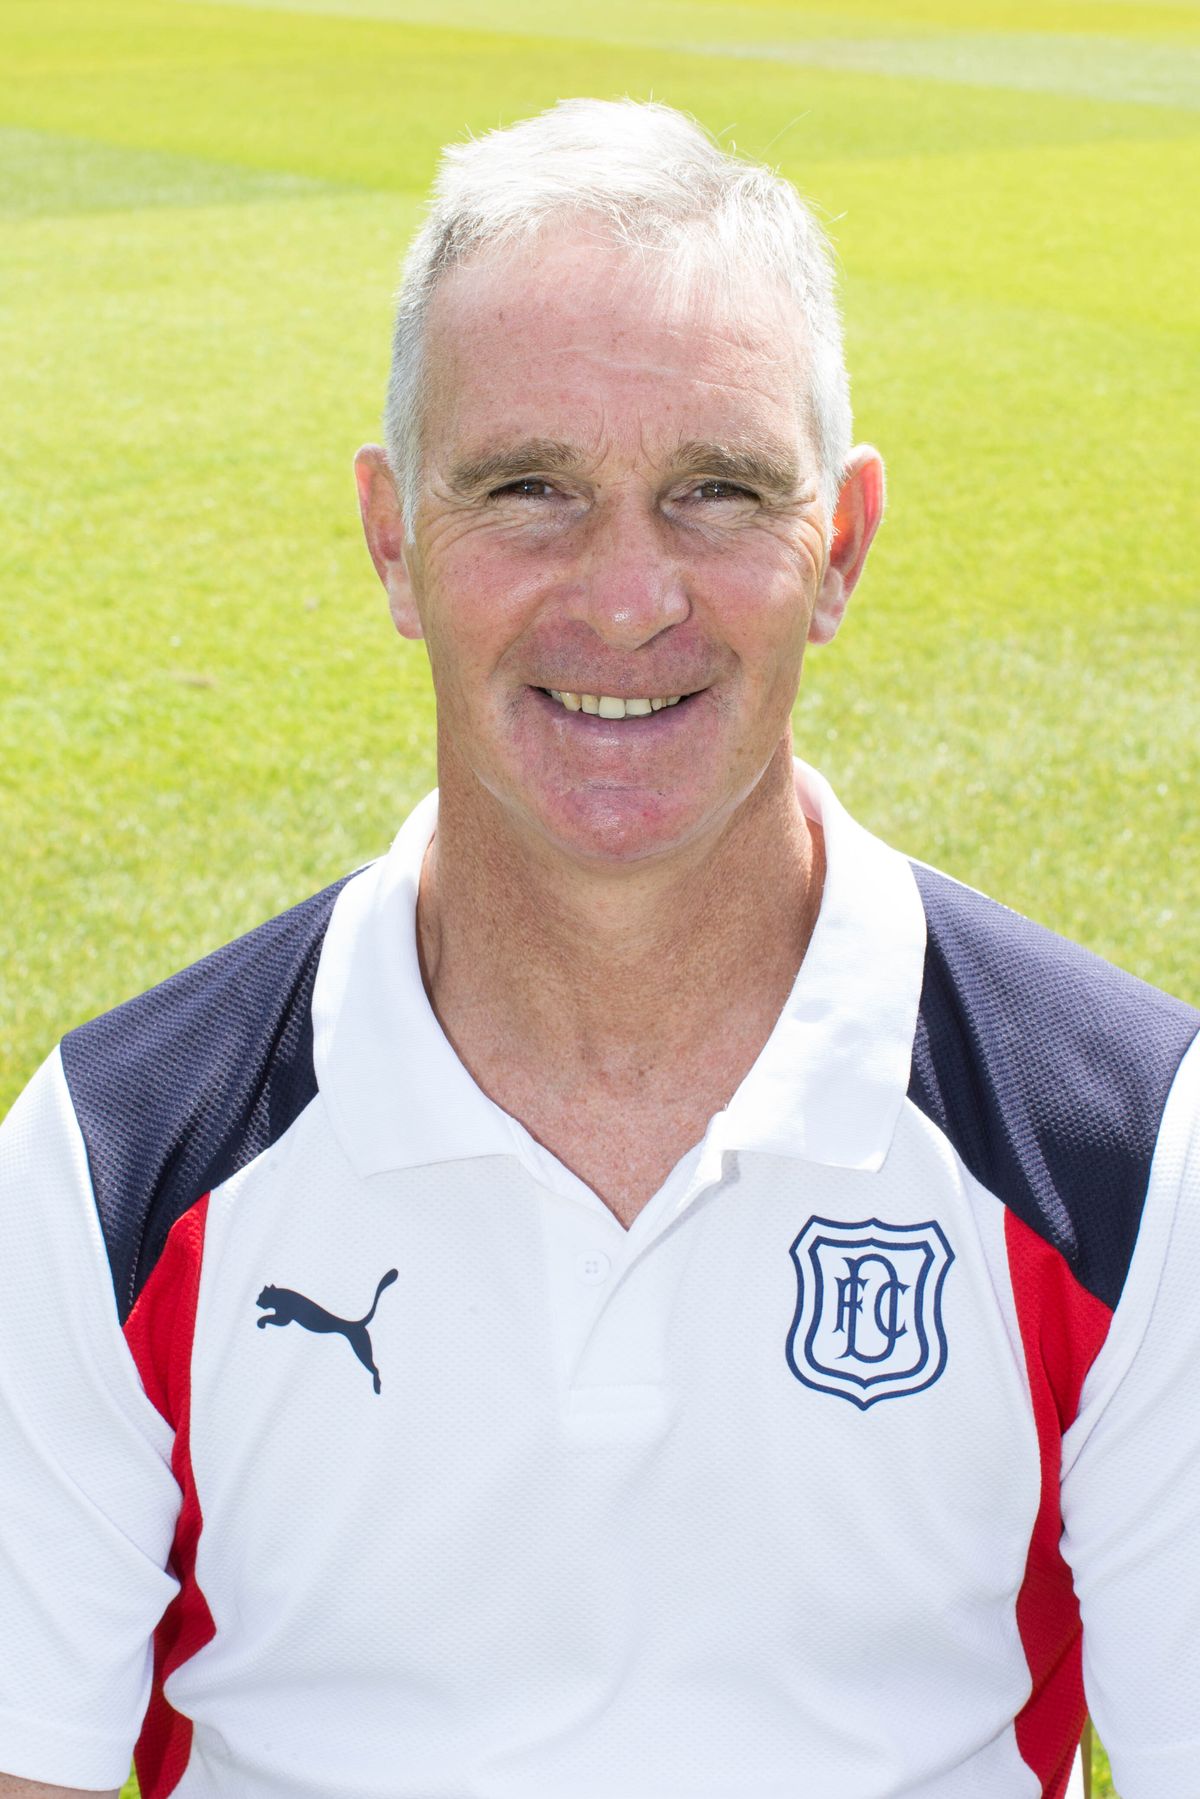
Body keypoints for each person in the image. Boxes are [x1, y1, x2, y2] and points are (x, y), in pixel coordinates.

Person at [0, 98, 1195, 1799]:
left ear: (838, 545)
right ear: (394, 536)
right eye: (529, 489)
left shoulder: (1134, 1149)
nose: (626, 598)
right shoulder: (107, 1166)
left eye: (716, 492)